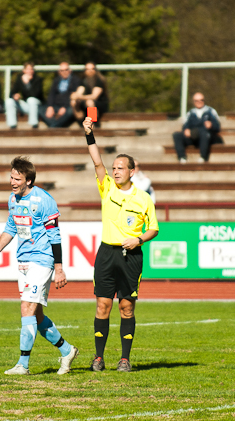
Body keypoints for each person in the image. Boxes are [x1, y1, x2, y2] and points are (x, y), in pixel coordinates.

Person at [0, 156, 79, 375]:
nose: (12, 182)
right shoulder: (13, 199)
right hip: (23, 261)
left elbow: (55, 235)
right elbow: (11, 226)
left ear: (29, 180)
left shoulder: (44, 200)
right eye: (11, 177)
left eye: (17, 178)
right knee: (36, 316)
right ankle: (67, 351)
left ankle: (23, 364)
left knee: (26, 307)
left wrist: (59, 267)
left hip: (42, 259)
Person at [83, 116, 159, 372]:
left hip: (131, 256)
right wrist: (89, 134)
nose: (114, 171)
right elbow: (96, 161)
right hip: (106, 254)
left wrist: (138, 240)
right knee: (102, 305)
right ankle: (98, 357)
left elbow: (154, 229)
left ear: (131, 171)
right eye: (113, 168)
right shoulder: (107, 188)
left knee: (126, 307)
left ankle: (125, 358)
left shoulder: (144, 199)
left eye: (120, 168)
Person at [172, 92, 221, 164]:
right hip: (193, 136)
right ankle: (182, 158)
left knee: (204, 133)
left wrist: (211, 125)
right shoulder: (190, 113)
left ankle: (203, 157)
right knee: (177, 135)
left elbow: (217, 126)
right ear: (194, 102)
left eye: (201, 100)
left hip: (206, 137)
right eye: (196, 101)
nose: (199, 102)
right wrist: (186, 130)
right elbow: (185, 125)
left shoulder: (210, 111)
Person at [40, 62, 81, 128]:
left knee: (72, 110)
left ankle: (54, 126)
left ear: (70, 70)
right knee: (40, 108)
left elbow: (74, 96)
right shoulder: (56, 80)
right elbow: (51, 94)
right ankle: (54, 125)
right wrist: (50, 106)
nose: (64, 72)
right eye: (62, 70)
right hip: (56, 105)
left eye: (66, 70)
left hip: (68, 106)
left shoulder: (76, 80)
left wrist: (65, 107)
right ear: (59, 72)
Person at [5, 62, 45, 129]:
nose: (29, 71)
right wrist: (15, 96)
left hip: (37, 106)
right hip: (26, 105)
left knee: (31, 100)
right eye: (27, 69)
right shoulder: (19, 79)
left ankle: (34, 124)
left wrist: (27, 84)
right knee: (9, 101)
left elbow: (35, 95)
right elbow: (12, 93)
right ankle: (12, 125)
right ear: (24, 70)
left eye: (31, 69)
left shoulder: (38, 79)